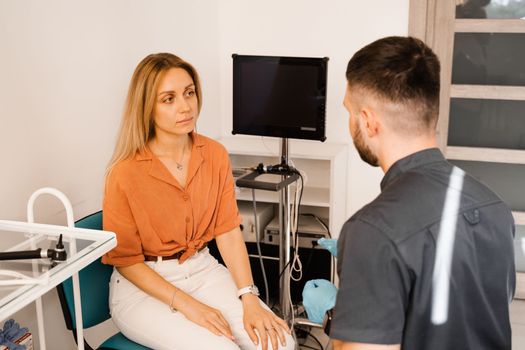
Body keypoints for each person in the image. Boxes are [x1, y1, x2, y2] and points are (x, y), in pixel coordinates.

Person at [330, 36, 515, 350]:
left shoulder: (372, 230)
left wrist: (338, 326)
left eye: (349, 111)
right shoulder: (495, 207)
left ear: (368, 121)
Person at [102, 53, 295, 350]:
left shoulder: (214, 153)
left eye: (189, 93)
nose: (185, 106)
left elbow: (228, 232)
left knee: (279, 342)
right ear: (146, 107)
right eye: (168, 99)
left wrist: (250, 297)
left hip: (201, 269)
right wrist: (189, 306)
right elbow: (127, 262)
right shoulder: (124, 172)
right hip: (143, 289)